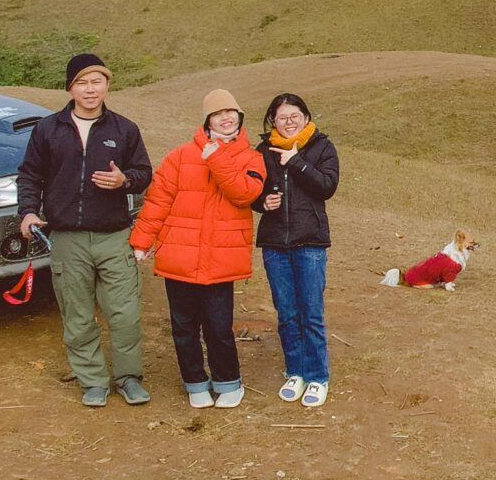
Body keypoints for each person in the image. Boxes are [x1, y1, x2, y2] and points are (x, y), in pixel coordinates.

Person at [16, 53, 154, 407]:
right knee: (77, 315)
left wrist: (125, 180)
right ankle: (92, 380)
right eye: (82, 83)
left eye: (97, 82)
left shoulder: (124, 129)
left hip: (114, 237)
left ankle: (128, 378)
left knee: (124, 314)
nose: (90, 90)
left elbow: (144, 173)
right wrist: (28, 212)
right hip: (67, 238)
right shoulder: (48, 129)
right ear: (70, 88)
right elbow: (30, 174)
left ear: (107, 85)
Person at [131, 89, 267, 409]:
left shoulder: (252, 158)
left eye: (230, 112)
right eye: (217, 114)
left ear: (239, 117)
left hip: (221, 258)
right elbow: (158, 201)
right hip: (179, 256)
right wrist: (142, 240)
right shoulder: (179, 156)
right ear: (207, 121)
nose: (225, 118)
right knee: (184, 327)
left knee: (219, 327)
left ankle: (228, 381)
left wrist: (216, 157)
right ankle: (194, 382)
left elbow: (244, 193)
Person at [255, 92, 340, 408]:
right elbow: (251, 189)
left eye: (295, 116)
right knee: (287, 312)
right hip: (274, 243)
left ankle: (317, 376)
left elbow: (327, 186)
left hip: (310, 242)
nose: (289, 122)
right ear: (273, 121)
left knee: (311, 312)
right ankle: (295, 371)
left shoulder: (322, 147)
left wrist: (295, 161)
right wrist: (262, 202)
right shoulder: (263, 151)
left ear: (305, 117)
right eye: (282, 118)